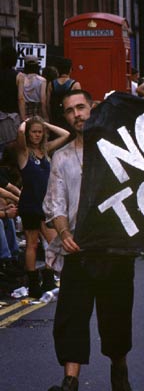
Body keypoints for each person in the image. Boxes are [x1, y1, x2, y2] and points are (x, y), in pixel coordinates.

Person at [45, 90, 139, 391]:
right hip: (78, 251)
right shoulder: (62, 159)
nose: (77, 115)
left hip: (114, 250)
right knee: (71, 316)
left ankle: (120, 375)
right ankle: (69, 385)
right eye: (70, 112)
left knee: (115, 318)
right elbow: (55, 204)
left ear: (92, 109)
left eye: (81, 107)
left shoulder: (119, 151)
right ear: (66, 118)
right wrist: (65, 234)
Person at [16, 117, 70, 300]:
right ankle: (33, 283)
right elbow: (21, 132)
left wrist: (44, 124)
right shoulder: (24, 153)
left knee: (54, 242)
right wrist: (28, 121)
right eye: (34, 131)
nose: (37, 135)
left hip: (46, 204)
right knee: (32, 243)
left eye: (40, 132)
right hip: (30, 203)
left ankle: (48, 278)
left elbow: (66, 134)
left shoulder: (45, 151)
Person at [18, 56, 48, 121]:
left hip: (24, 110)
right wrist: (45, 116)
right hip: (37, 110)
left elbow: (20, 98)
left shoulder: (20, 78)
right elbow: (43, 101)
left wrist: (23, 118)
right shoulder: (42, 80)